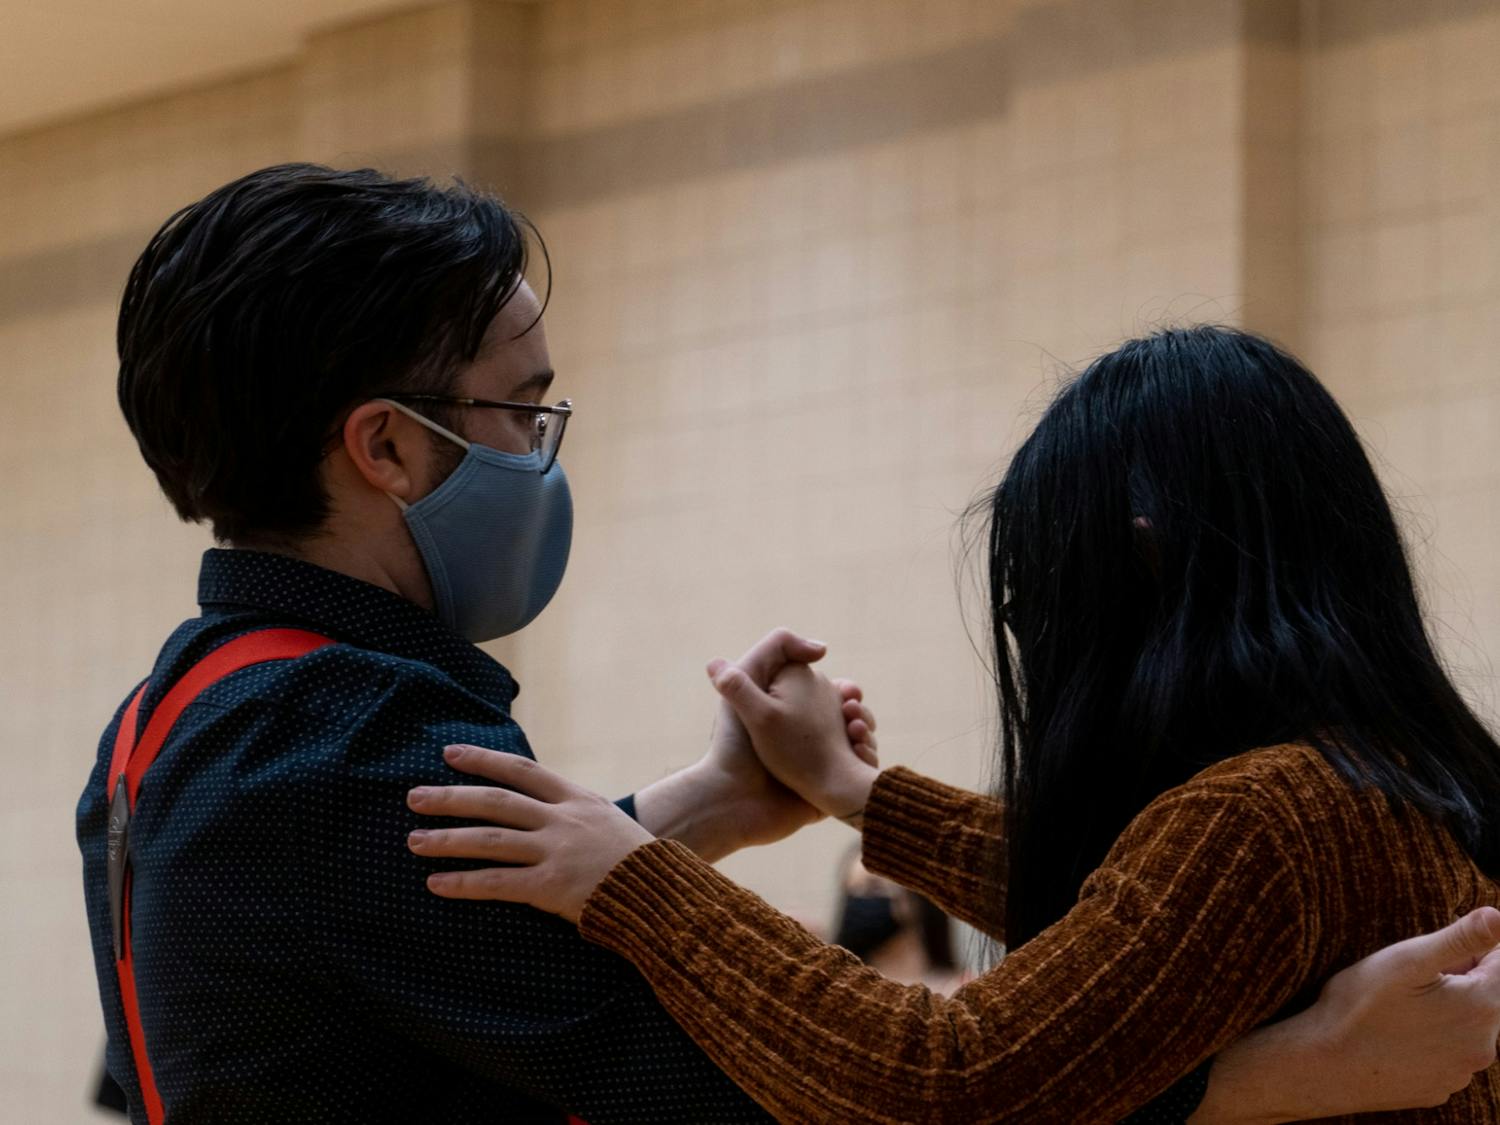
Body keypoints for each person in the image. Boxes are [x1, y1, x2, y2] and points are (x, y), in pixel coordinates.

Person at [409, 326, 1500, 1121]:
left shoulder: (1266, 817)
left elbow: (951, 1086)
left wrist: (638, 880)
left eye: (1038, 602)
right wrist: (855, 792)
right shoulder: (1394, 772)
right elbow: (1130, 909)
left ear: (1144, 555)